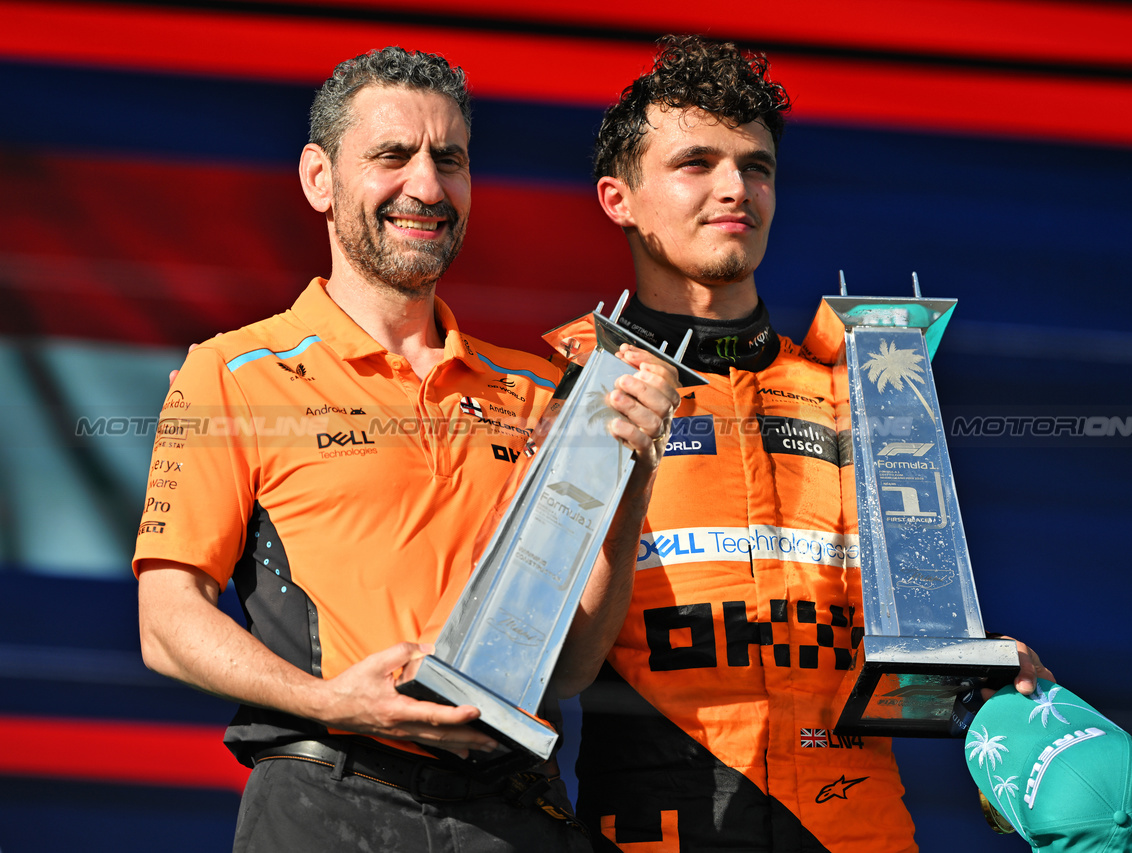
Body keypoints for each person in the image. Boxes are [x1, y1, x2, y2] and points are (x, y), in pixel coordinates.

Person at [133, 46, 678, 853]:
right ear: (319, 179)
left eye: (449, 160)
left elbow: (564, 670)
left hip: (514, 814)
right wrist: (332, 700)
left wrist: (629, 488)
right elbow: (166, 621)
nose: (426, 186)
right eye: (393, 155)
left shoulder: (538, 388)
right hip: (326, 798)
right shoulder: (232, 371)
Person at [572, 36, 1054, 852]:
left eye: (756, 166)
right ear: (618, 198)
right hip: (662, 831)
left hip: (857, 831)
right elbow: (538, 671)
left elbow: (915, 649)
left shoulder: (867, 388)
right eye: (697, 163)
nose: (736, 189)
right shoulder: (567, 384)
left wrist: (991, 685)